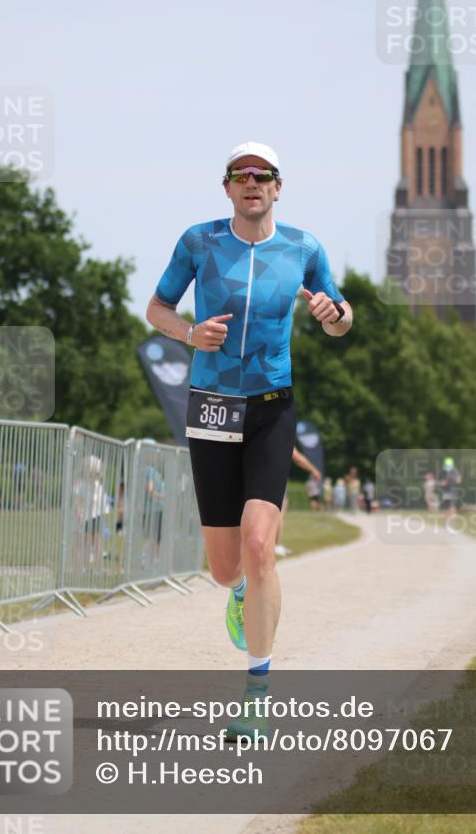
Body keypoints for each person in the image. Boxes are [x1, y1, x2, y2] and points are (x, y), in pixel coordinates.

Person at [146, 140, 352, 738]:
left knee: (261, 545)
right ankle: (238, 591)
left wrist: (334, 317)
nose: (253, 183)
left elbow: (342, 317)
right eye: (241, 175)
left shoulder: (304, 247)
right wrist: (189, 332)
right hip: (212, 404)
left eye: (264, 175)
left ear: (279, 188)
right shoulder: (199, 241)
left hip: (270, 407)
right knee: (223, 566)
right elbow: (156, 308)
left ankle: (256, 695)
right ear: (228, 187)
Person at [274, 447, 322, 556]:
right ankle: (276, 545)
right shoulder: (277, 430)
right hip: (275, 478)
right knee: (279, 514)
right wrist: (313, 470)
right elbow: (296, 456)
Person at [438, 456, 462, 522]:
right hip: (445, 491)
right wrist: (442, 483)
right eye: (447, 466)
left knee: (452, 506)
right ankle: (445, 522)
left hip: (453, 490)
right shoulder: (442, 472)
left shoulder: (455, 471)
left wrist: (456, 480)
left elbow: (459, 480)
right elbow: (439, 482)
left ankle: (452, 522)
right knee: (445, 507)